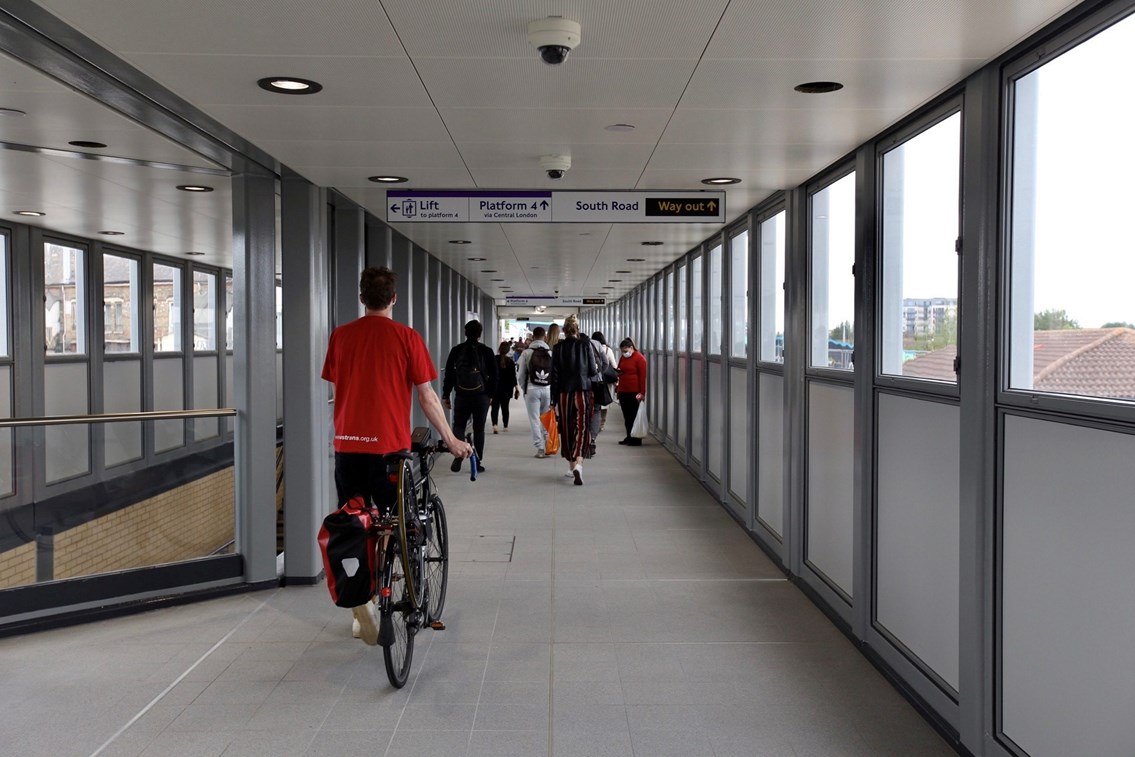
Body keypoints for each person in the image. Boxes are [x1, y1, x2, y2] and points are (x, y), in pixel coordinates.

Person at [321, 266, 473, 645]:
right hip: (389, 449)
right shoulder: (406, 337)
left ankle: (365, 601)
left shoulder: (341, 337)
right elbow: (426, 395)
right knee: (399, 523)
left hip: (347, 447)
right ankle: (401, 588)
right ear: (393, 298)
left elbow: (340, 385)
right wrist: (451, 439)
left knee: (356, 520)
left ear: (362, 298)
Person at [442, 319, 498, 473]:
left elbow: (449, 374)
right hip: (481, 396)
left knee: (459, 425)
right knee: (479, 429)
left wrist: (446, 394)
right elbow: (495, 375)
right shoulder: (486, 351)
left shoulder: (456, 350)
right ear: (480, 334)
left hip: (461, 395)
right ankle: (477, 461)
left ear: (465, 333)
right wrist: (491, 395)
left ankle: (459, 454)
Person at [550, 315, 596, 485]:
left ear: (564, 330)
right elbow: (592, 370)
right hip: (582, 392)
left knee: (567, 428)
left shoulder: (558, 347)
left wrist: (553, 400)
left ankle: (571, 467)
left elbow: (553, 377)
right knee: (582, 427)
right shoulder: (585, 345)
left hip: (563, 393)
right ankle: (579, 462)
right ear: (578, 330)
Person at [517, 326, 553, 458]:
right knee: (545, 418)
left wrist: (524, 388)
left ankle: (540, 449)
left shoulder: (526, 353)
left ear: (533, 337)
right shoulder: (550, 352)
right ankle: (548, 444)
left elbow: (520, 374)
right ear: (545, 336)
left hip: (532, 389)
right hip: (547, 389)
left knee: (534, 420)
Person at [616, 337, 648, 446]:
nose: (624, 353)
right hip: (623, 390)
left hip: (634, 392)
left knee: (633, 415)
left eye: (625, 351)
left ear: (631, 348)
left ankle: (636, 438)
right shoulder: (623, 358)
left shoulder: (640, 359)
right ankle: (629, 435)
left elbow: (643, 377)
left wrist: (642, 393)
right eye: (622, 351)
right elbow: (620, 369)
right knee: (626, 416)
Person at [590, 331, 619, 432]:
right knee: (604, 402)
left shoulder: (590, 347)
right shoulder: (608, 350)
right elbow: (614, 365)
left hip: (594, 379)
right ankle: (601, 424)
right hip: (606, 381)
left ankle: (593, 422)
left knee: (595, 402)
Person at [491, 340, 519, 433]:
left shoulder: (494, 359)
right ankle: (505, 426)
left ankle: (495, 425)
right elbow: (513, 377)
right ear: (508, 350)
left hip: (495, 388)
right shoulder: (510, 362)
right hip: (507, 389)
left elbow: (490, 374)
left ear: (499, 349)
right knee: (505, 407)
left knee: (495, 407)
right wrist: (516, 388)